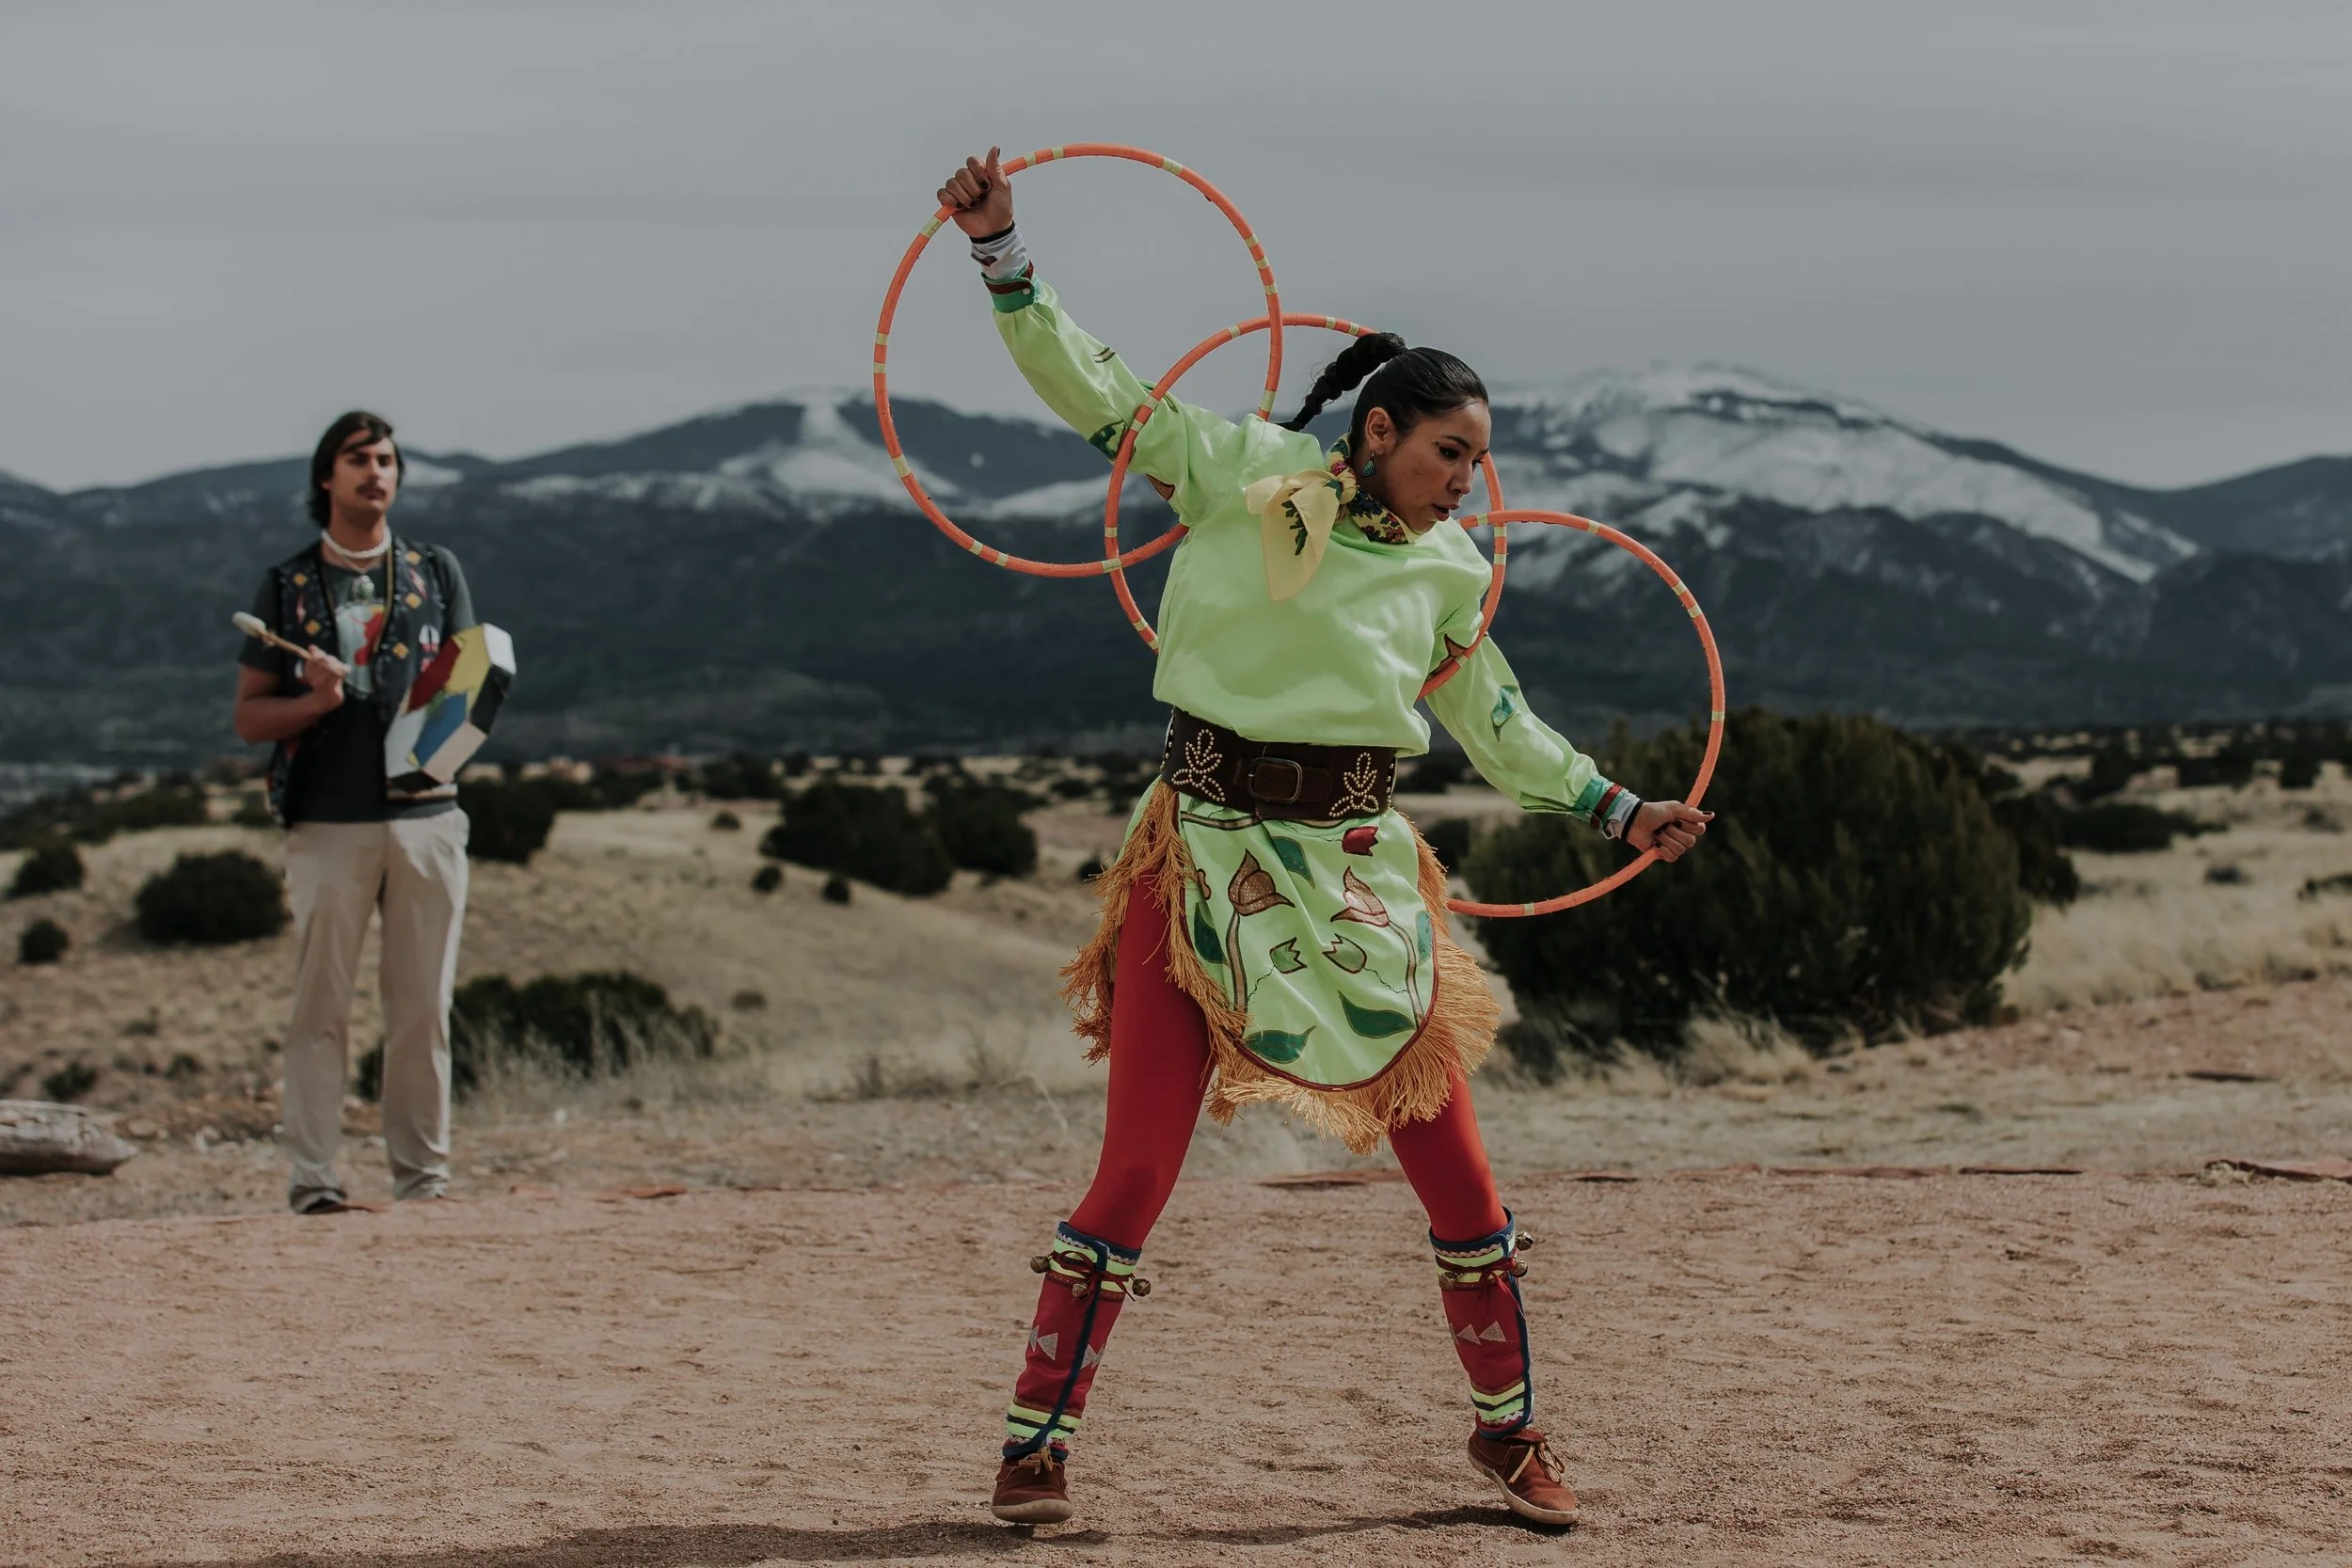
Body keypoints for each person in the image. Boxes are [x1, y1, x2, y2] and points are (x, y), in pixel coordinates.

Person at [935, 150, 1712, 1528]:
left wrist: (1617, 808)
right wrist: (1004, 256)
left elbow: (1503, 726)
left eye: (1478, 460)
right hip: (1198, 859)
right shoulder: (1240, 471)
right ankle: (1034, 1445)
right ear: (1376, 432)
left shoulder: (1453, 571)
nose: (1467, 484)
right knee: (1134, 1167)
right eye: (1447, 452)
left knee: (1462, 1174)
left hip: (1357, 879)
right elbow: (1102, 394)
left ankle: (1511, 1434)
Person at [231, 411, 479, 1214]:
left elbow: (471, 685)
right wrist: (314, 700)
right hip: (328, 820)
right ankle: (314, 1178)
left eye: (387, 458)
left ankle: (423, 1177)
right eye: (357, 458)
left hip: (427, 818)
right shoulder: (288, 584)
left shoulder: (436, 573)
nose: (376, 471)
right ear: (325, 478)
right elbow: (249, 718)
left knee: (422, 1007)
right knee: (320, 1005)